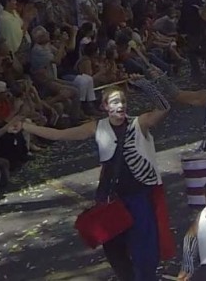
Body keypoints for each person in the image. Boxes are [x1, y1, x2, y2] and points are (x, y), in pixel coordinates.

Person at [17, 74, 177, 280]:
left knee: (144, 249)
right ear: (104, 106)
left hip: (138, 196)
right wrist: (26, 126)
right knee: (114, 246)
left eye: (123, 101)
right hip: (111, 197)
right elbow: (60, 135)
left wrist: (144, 85)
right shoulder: (97, 127)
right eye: (114, 102)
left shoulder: (139, 124)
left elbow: (164, 108)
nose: (120, 105)